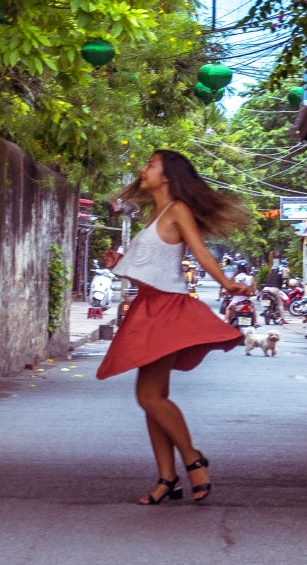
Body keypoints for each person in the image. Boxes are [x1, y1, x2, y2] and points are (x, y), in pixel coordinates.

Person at [98, 149, 253, 505]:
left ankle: (193, 459)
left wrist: (227, 283)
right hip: (148, 307)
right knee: (154, 399)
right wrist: (120, 263)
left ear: (167, 175)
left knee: (149, 397)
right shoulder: (156, 214)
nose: (144, 169)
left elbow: (201, 253)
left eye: (150, 164)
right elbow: (154, 263)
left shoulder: (177, 210)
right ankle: (168, 477)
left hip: (166, 308)